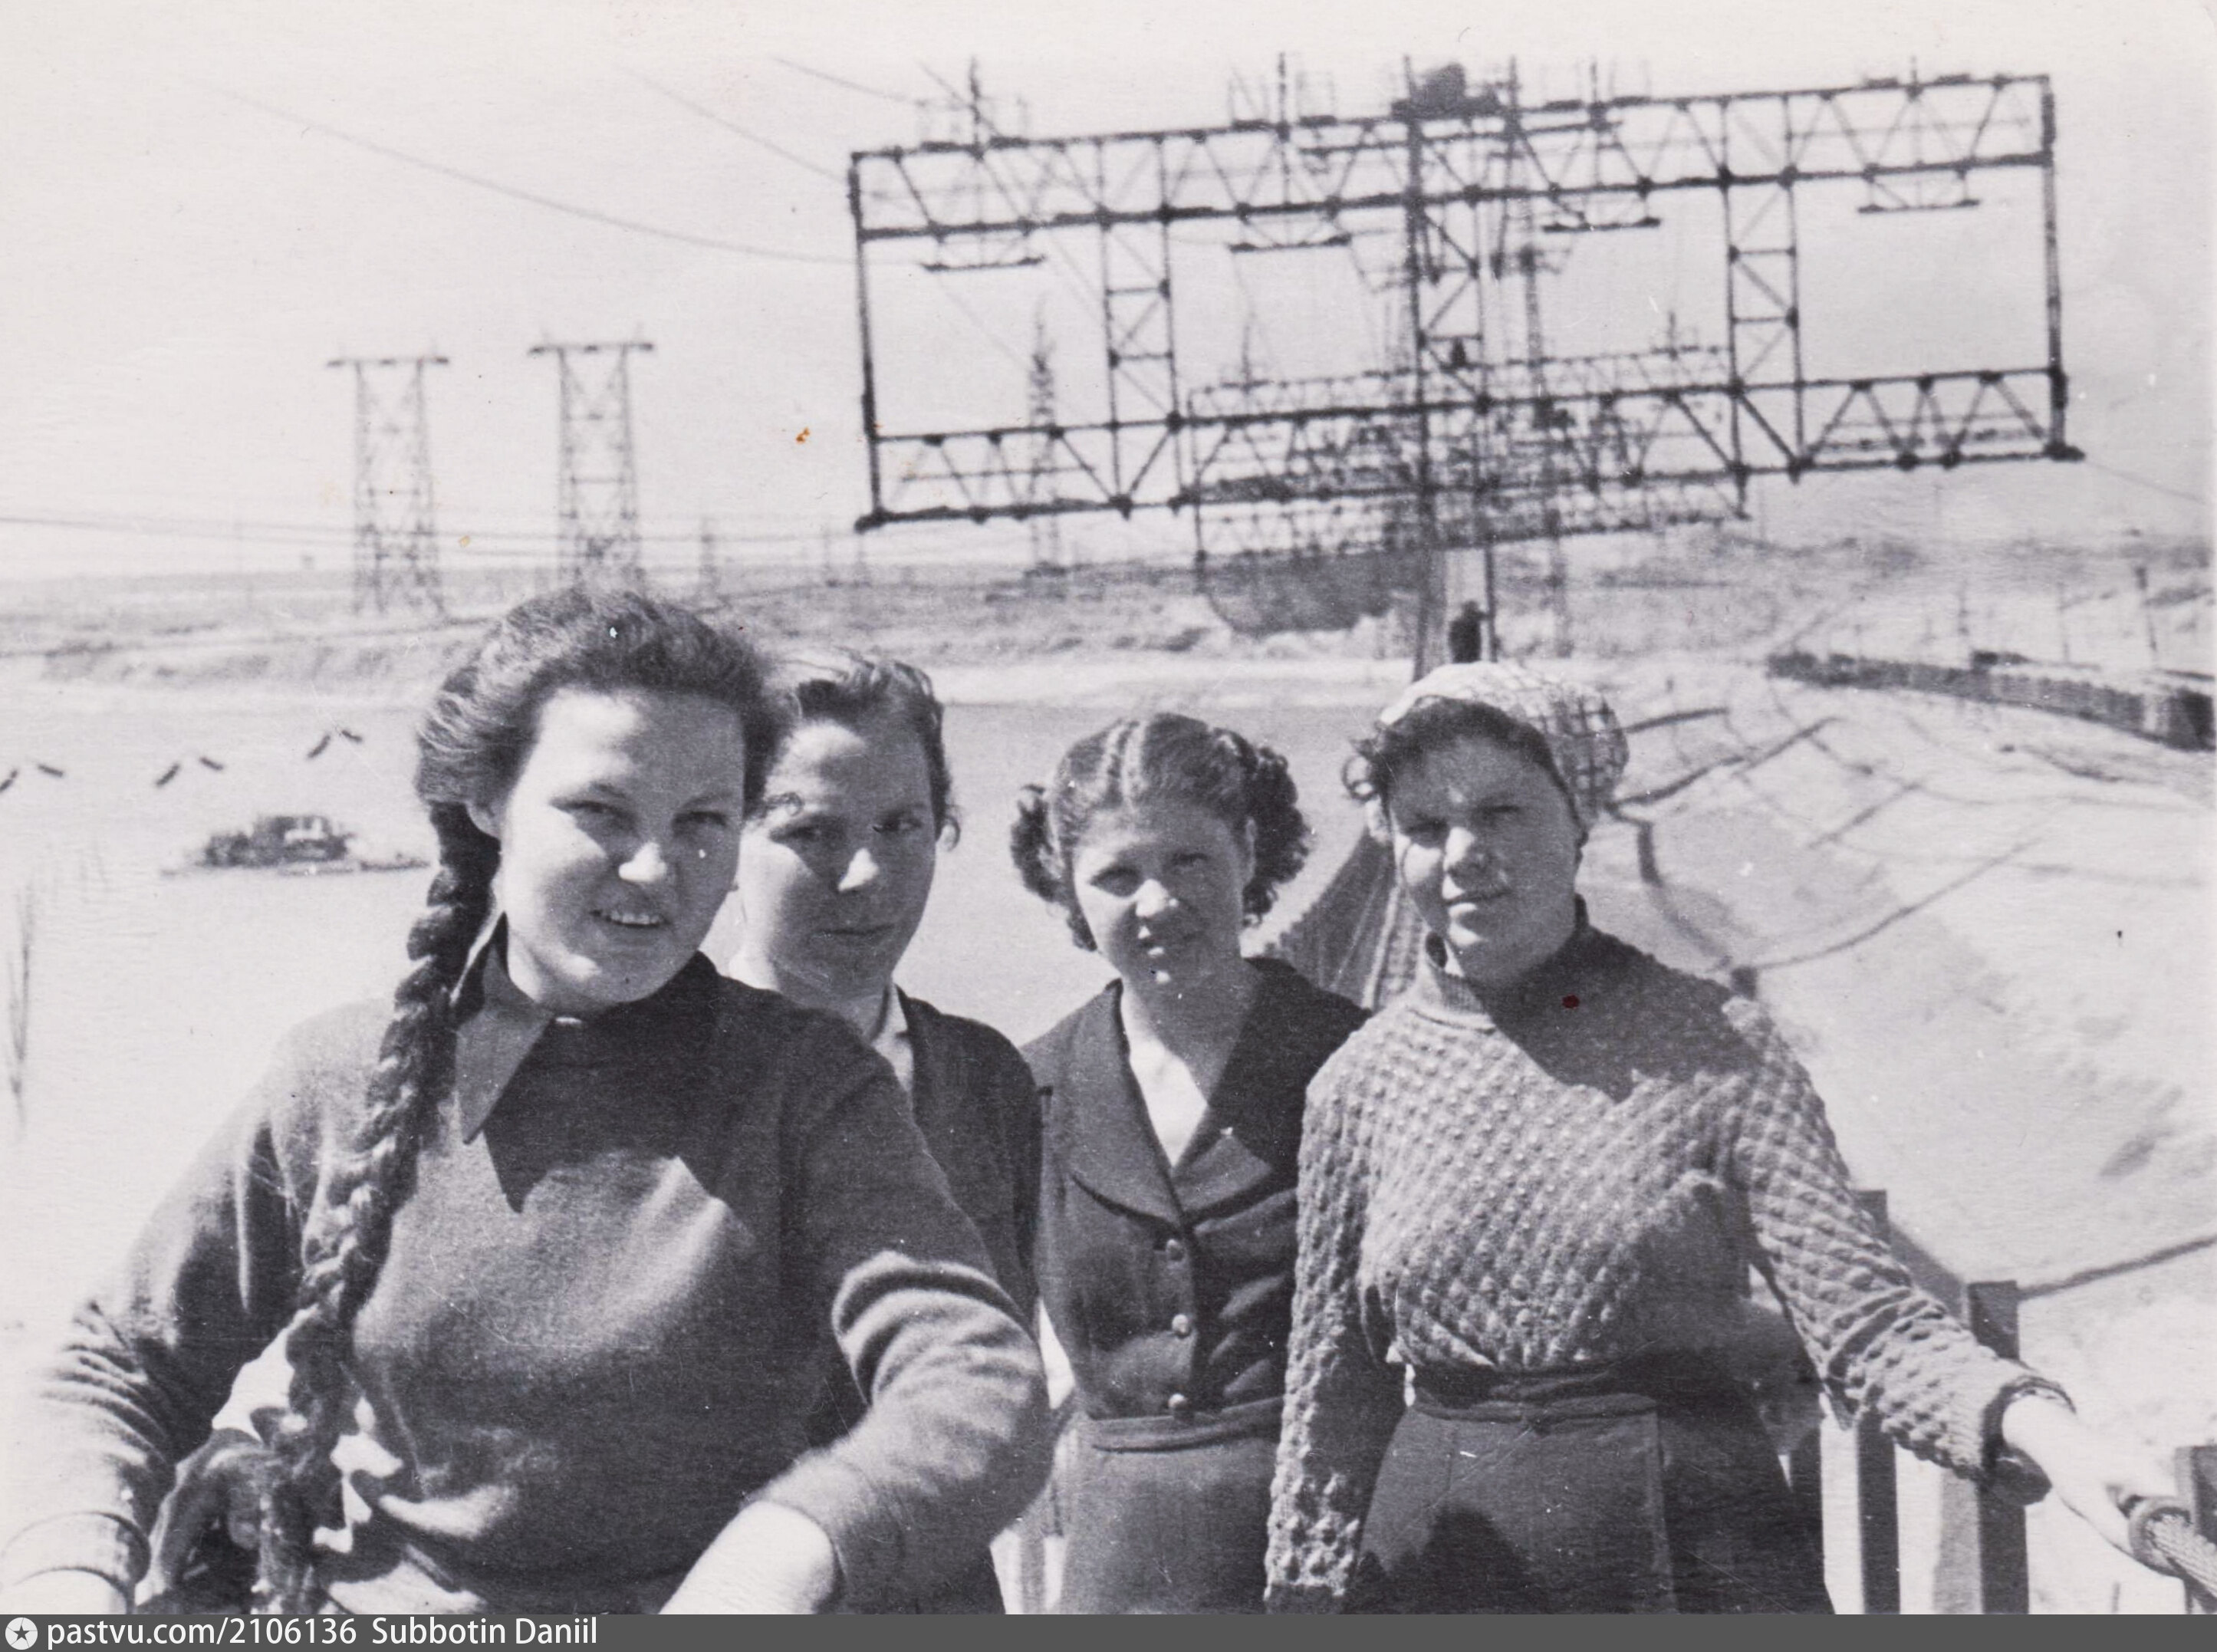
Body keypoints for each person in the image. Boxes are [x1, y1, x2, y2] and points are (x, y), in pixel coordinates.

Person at [0, 589, 1051, 1616]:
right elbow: (116, 1368)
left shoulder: (807, 1087)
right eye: (600, 812)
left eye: (701, 821)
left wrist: (781, 1551)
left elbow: (973, 1382)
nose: (654, 868)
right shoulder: (337, 1076)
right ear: (487, 801)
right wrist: (65, 1579)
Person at [1262, 660, 2177, 1614]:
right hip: (1447, 1556)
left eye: (1501, 812)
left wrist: (2046, 1435)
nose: (1462, 854)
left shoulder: (1715, 1043)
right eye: (1424, 826)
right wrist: (1301, 1592)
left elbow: (1861, 1317)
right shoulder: (1354, 1087)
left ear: (1575, 819)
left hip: (1694, 1543)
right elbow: (1331, 1392)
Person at [1012, 714, 1367, 1613]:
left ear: (1246, 851)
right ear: (1066, 888)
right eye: (1116, 876)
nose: (1157, 902)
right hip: (1118, 1565)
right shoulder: (1028, 1089)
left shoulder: (1355, 1062)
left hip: (1326, 1546)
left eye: (1189, 861)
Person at [725, 650, 1041, 1612]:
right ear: (719, 838)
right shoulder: (645, 1080)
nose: (865, 874)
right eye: (810, 832)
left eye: (901, 826)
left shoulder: (982, 1076)